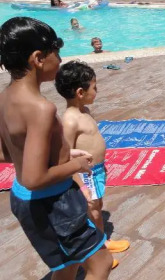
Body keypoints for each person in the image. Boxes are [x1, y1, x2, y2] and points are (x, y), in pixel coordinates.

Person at [0, 17, 114, 279]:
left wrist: (58, 154)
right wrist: (75, 165)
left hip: (25, 200)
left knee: (67, 266)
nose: (60, 60)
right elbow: (34, 178)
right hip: (53, 203)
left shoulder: (4, 98)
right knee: (101, 264)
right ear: (38, 58)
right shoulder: (41, 109)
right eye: (57, 53)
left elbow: (6, 152)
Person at [55, 61, 130, 269]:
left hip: (95, 170)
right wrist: (80, 184)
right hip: (84, 174)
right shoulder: (70, 121)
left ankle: (102, 241)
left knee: (98, 206)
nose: (97, 91)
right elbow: (66, 155)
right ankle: (99, 250)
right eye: (94, 87)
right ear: (80, 92)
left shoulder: (85, 111)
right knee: (92, 210)